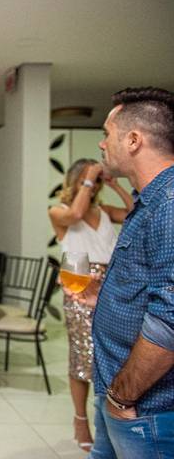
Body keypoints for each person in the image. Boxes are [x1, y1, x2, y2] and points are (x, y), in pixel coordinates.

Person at [79, 87, 174, 458]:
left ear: (134, 140)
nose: (102, 144)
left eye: (108, 134)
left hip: (146, 407)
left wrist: (122, 396)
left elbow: (170, 319)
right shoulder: (148, 201)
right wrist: (110, 295)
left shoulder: (168, 205)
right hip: (120, 393)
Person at [48, 158, 132, 452]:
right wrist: (89, 177)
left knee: (114, 355)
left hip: (112, 283)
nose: (93, 185)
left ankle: (106, 420)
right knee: (83, 356)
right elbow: (75, 214)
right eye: (88, 179)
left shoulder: (104, 211)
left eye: (96, 180)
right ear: (76, 180)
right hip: (79, 282)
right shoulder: (58, 211)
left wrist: (115, 185)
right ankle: (80, 419)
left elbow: (133, 212)